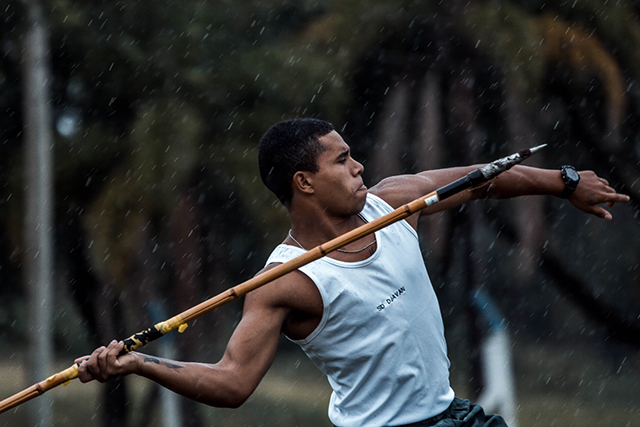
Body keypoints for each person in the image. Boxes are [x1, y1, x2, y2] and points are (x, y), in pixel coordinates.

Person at [77, 118, 629, 426]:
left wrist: (563, 180)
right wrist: (138, 363)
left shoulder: (393, 203)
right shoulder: (285, 282)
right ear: (304, 182)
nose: (359, 166)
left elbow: (482, 179)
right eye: (341, 160)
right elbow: (233, 382)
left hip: (455, 417)